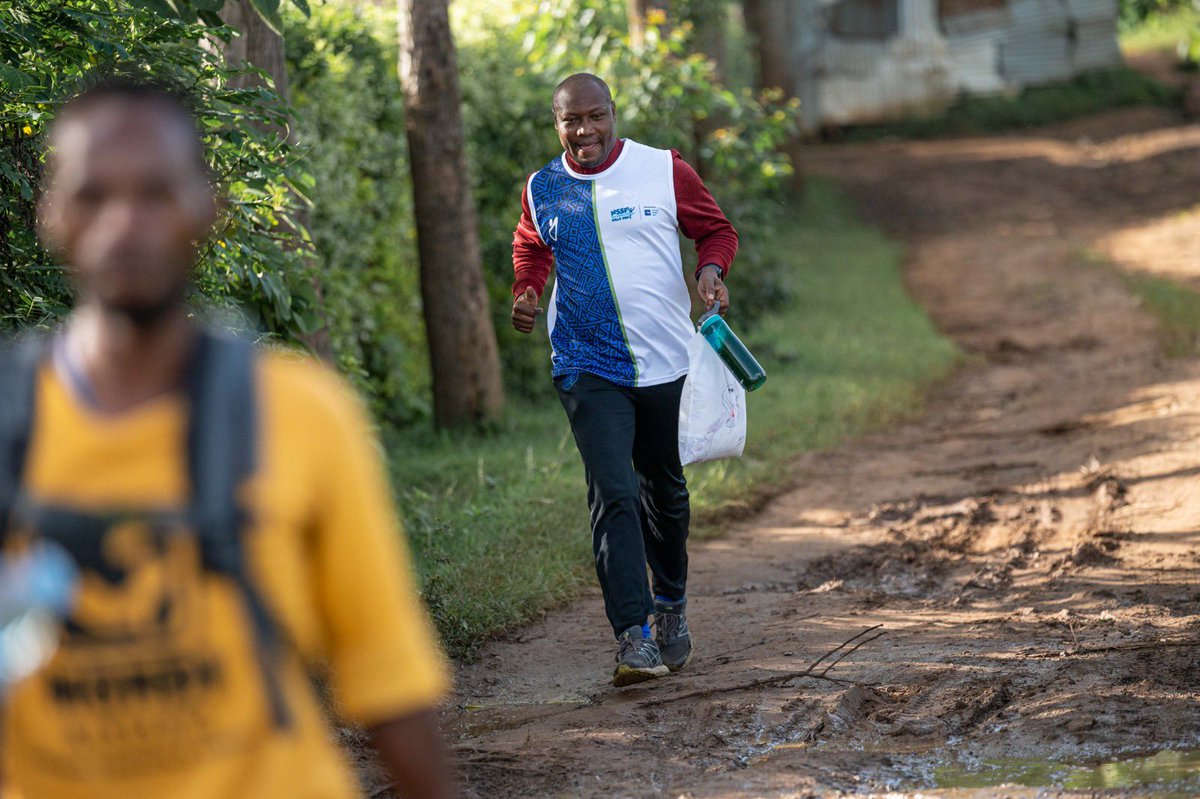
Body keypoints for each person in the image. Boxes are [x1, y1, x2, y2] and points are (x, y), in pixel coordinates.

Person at [0, 79, 455, 799]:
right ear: (51, 214)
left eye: (155, 192)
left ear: (204, 209)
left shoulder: (300, 411)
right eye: (93, 195)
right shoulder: (10, 423)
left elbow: (385, 673)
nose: (124, 224)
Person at [510, 73, 738, 687]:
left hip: (664, 361)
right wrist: (528, 289)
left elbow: (716, 230)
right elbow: (531, 245)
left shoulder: (662, 169)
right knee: (612, 491)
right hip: (586, 364)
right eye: (570, 120)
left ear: (613, 113)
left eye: (594, 116)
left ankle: (670, 607)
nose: (584, 130)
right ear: (556, 124)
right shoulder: (543, 186)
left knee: (663, 490)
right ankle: (632, 635)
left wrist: (711, 272)